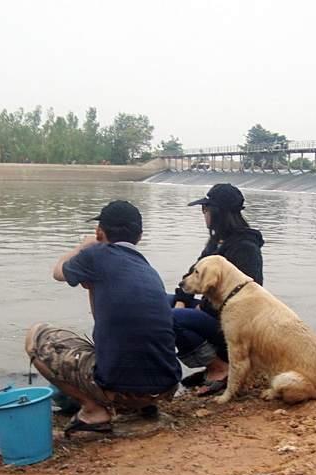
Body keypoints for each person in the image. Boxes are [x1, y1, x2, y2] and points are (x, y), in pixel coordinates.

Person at [26, 200, 182, 436]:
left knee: (35, 336)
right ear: (139, 237)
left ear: (100, 232)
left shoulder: (95, 254)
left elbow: (58, 272)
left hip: (122, 392)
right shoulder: (147, 269)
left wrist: (83, 246)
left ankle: (93, 411)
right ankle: (142, 410)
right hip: (166, 387)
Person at [171, 183, 264, 396]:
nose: (203, 214)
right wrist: (181, 300)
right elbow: (193, 275)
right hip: (212, 311)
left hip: (233, 322)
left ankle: (220, 367)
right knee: (162, 305)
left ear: (216, 211)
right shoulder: (217, 242)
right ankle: (213, 362)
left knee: (173, 318)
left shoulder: (245, 248)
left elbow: (242, 298)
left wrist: (201, 309)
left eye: (205, 209)